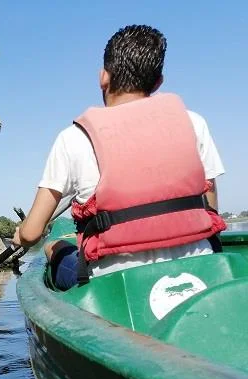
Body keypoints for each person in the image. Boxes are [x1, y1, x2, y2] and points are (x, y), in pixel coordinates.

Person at [12, 24, 226, 290]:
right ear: (158, 82)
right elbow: (211, 209)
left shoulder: (73, 138)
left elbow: (32, 232)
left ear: (103, 77)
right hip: (198, 270)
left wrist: (21, 236)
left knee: (53, 246)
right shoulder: (194, 123)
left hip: (114, 284)